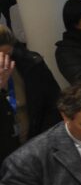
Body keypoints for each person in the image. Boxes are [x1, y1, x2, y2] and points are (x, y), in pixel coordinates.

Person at [0, 26, 61, 161]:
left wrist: (43, 142)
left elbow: (52, 103)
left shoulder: (31, 62)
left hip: (37, 146)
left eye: (8, 54)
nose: (4, 61)